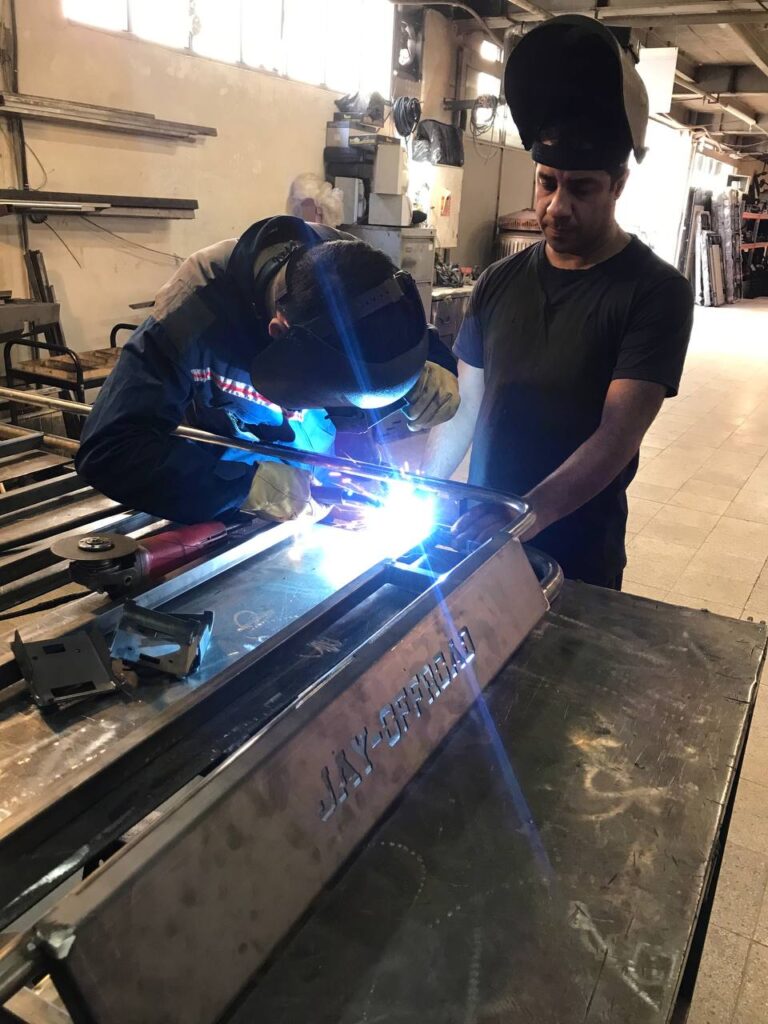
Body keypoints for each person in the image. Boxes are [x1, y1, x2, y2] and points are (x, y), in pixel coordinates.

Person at [422, 15, 693, 589]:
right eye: (547, 182)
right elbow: (466, 408)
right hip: (483, 540)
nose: (556, 207)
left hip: (577, 556)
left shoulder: (655, 292)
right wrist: (426, 488)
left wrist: (525, 516)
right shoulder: (496, 282)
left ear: (618, 184)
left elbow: (616, 437)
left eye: (582, 188)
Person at [77, 216, 458, 524]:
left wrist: (437, 366)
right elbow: (110, 451)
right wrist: (244, 488)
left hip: (328, 486)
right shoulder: (190, 313)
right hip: (225, 491)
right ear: (279, 333)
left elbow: (408, 337)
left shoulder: (363, 276)